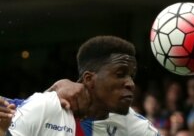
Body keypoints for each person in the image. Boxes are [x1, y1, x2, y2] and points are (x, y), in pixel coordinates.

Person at [0, 36, 160, 136]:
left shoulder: (137, 128)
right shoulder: (47, 106)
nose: (131, 84)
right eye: (120, 74)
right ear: (89, 78)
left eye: (132, 76)